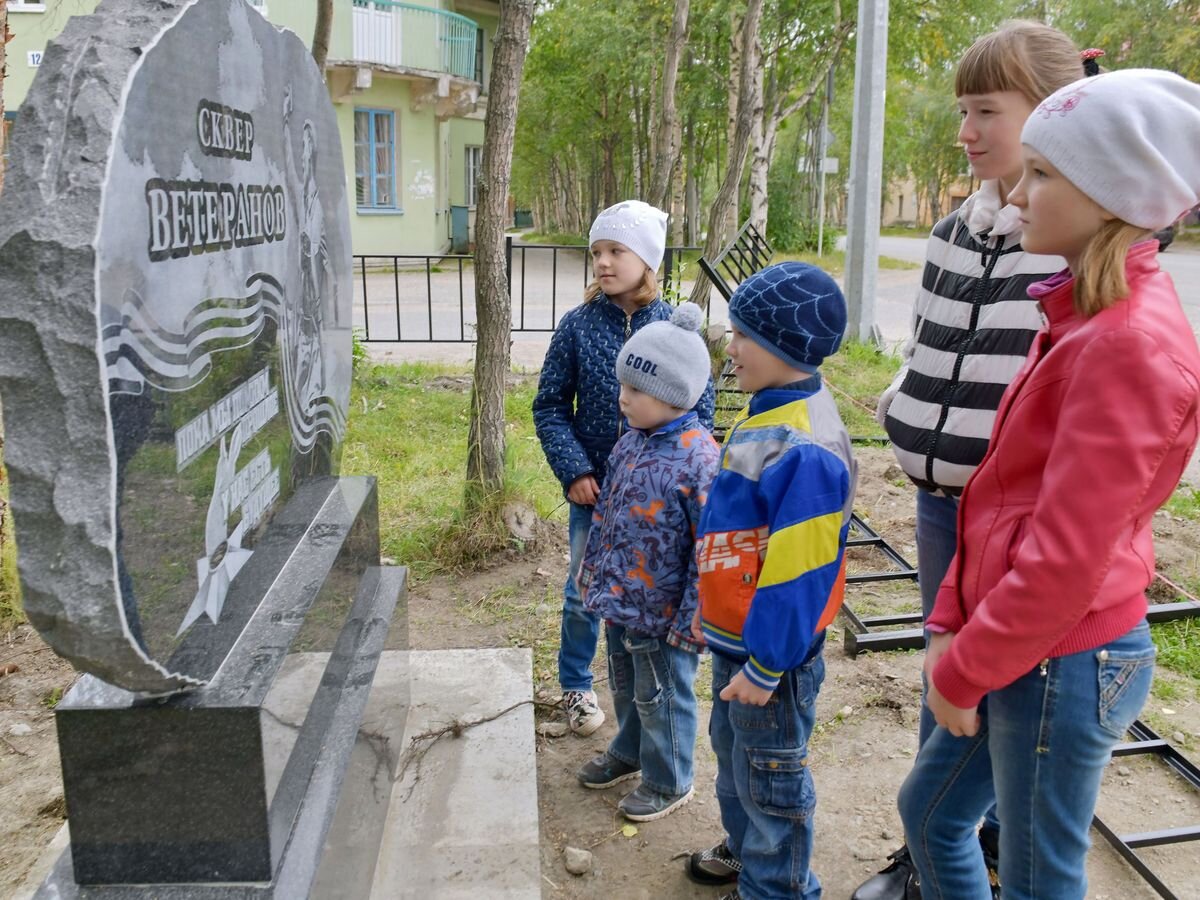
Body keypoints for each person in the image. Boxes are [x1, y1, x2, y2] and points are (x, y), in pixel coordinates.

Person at [897, 68, 1200, 900]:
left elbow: (1067, 560)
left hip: (1063, 661)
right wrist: (952, 618)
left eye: (1042, 174)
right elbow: (997, 498)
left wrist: (964, 668)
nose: (1018, 194)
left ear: (1111, 195)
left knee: (1037, 875)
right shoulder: (1079, 317)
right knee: (930, 812)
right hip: (1015, 641)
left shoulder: (1127, 347)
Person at [861, 22, 1090, 899]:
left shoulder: (1062, 235)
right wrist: (908, 402)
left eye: (986, 109)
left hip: (1014, 519)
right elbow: (929, 340)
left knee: (1003, 688)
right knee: (945, 677)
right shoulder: (958, 228)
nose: (967, 129)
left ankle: (974, 849)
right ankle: (937, 853)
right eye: (963, 110)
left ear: (1054, 116)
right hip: (939, 502)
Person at [684, 262, 857, 900]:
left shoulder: (802, 443)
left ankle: (778, 886)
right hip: (741, 641)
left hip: (769, 662)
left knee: (771, 776)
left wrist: (766, 662)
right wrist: (714, 609)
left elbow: (800, 569)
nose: (730, 349)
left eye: (742, 336)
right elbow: (741, 538)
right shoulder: (772, 408)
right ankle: (749, 852)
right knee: (737, 768)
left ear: (786, 345)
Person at [533, 201, 715, 735]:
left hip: (658, 503)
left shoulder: (674, 328)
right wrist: (574, 473)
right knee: (582, 590)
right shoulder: (578, 326)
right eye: (597, 253)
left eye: (616, 251)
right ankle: (575, 686)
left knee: (647, 593)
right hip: (595, 495)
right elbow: (549, 405)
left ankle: (645, 690)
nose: (604, 263)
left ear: (648, 259)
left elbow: (698, 416)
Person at [574, 302, 720, 821]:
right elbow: (609, 513)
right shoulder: (631, 443)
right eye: (623, 387)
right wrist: (593, 572)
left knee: (663, 694)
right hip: (621, 600)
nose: (622, 398)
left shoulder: (699, 457)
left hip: (665, 614)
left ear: (673, 392)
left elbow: (710, 549)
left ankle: (670, 778)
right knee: (626, 682)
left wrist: (694, 619)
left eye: (635, 390)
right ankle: (630, 750)